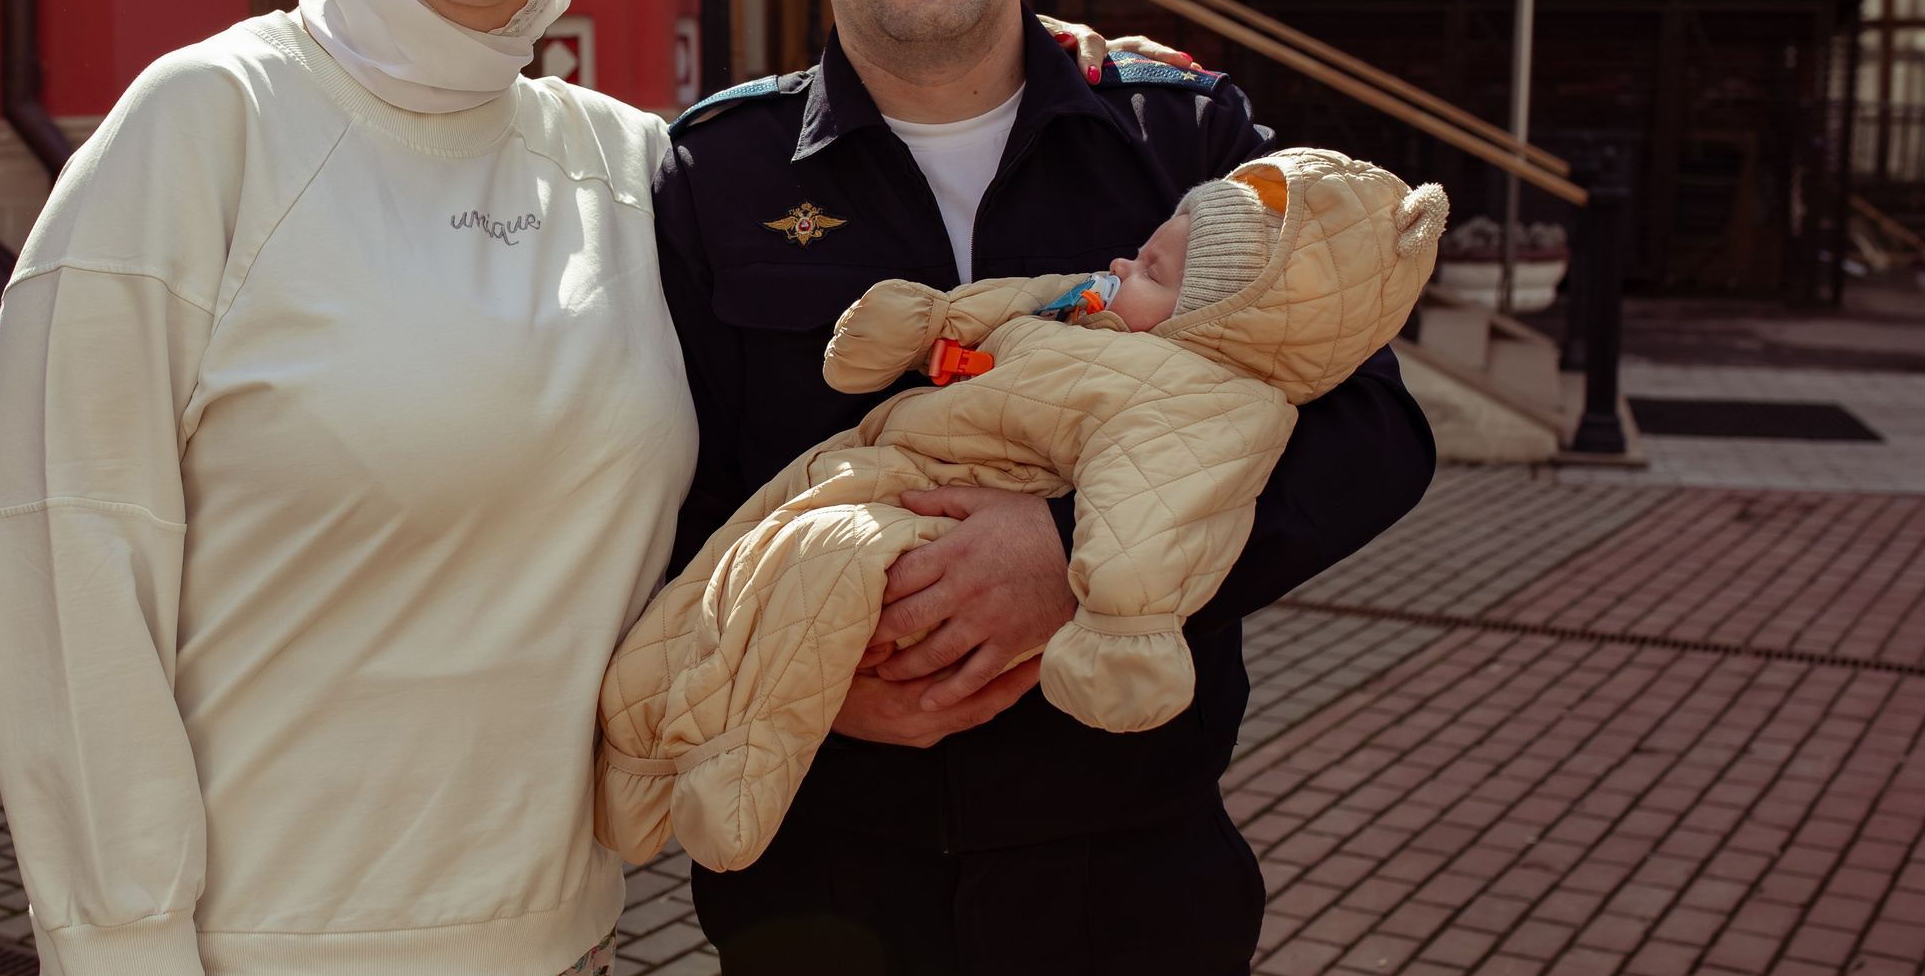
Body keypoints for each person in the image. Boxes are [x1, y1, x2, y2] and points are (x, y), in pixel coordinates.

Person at [655, 0, 1439, 976]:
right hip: (826, 873)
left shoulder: (1188, 136)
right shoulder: (717, 176)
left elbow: (1373, 433)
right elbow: (670, 500)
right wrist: (796, 669)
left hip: (1120, 864)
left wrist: (1073, 554)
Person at [0, 0, 700, 976]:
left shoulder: (628, 168)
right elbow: (63, 537)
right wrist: (122, 939)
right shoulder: (210, 123)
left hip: (536, 963)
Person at [598, 147, 1449, 870]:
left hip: (1088, 826)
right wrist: (923, 322)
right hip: (871, 476)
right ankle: (637, 757)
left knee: (819, 562)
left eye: (1152, 269)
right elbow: (1003, 307)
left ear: (1217, 316)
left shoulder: (1200, 391)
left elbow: (1157, 510)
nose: (1121, 265)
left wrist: (1097, 597)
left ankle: (739, 762)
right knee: (724, 570)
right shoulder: (726, 157)